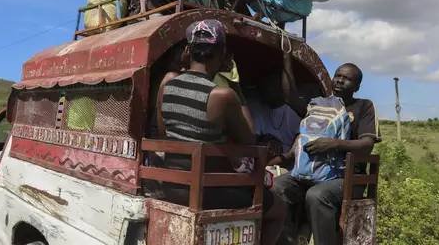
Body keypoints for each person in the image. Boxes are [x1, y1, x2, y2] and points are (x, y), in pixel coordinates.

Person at [156, 19, 285, 245]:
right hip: (212, 191)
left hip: (171, 186)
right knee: (278, 209)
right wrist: (235, 84)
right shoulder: (222, 95)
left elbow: (163, 129)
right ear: (223, 54)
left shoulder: (167, 82)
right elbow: (250, 140)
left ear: (188, 50)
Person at [269, 63, 382, 245]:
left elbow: (367, 145)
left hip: (347, 177)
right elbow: (289, 96)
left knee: (317, 195)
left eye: (347, 78)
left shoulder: (363, 106)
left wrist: (334, 144)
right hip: (310, 173)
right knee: (279, 187)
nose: (339, 80)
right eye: (337, 75)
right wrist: (286, 58)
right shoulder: (318, 104)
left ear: (357, 87)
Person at [245, 52, 308, 160]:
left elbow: (299, 145)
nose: (265, 89)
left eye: (270, 86)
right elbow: (254, 139)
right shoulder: (260, 110)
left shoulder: (293, 112)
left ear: (280, 88)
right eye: (264, 86)